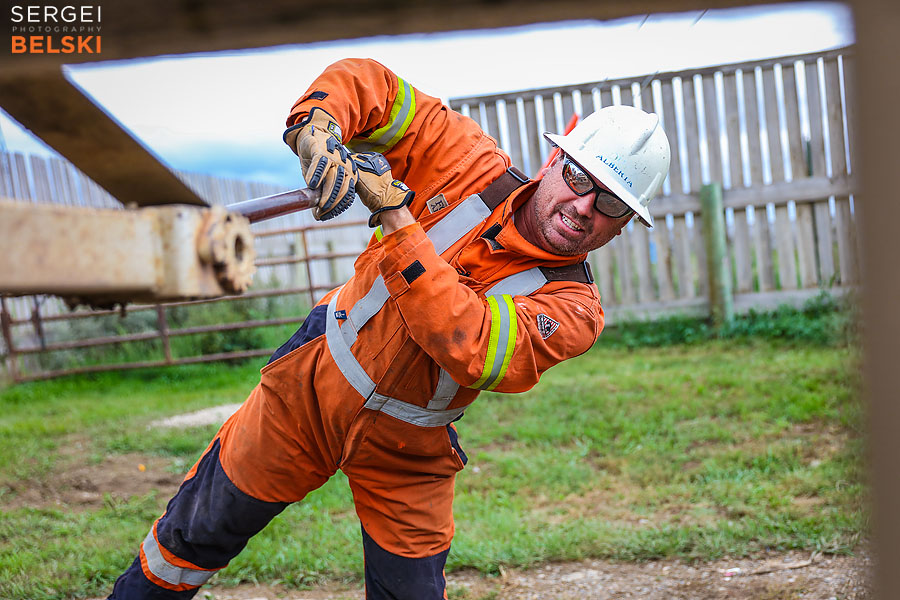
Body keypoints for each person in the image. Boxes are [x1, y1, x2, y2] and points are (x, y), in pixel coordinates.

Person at [107, 57, 670, 600]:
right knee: (192, 535)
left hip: (410, 449)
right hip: (309, 387)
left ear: (624, 225)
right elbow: (370, 84)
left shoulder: (573, 308)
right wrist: (319, 126)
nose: (584, 206)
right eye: (578, 177)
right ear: (553, 162)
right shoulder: (463, 159)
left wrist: (398, 220)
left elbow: (469, 344)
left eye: (612, 204)